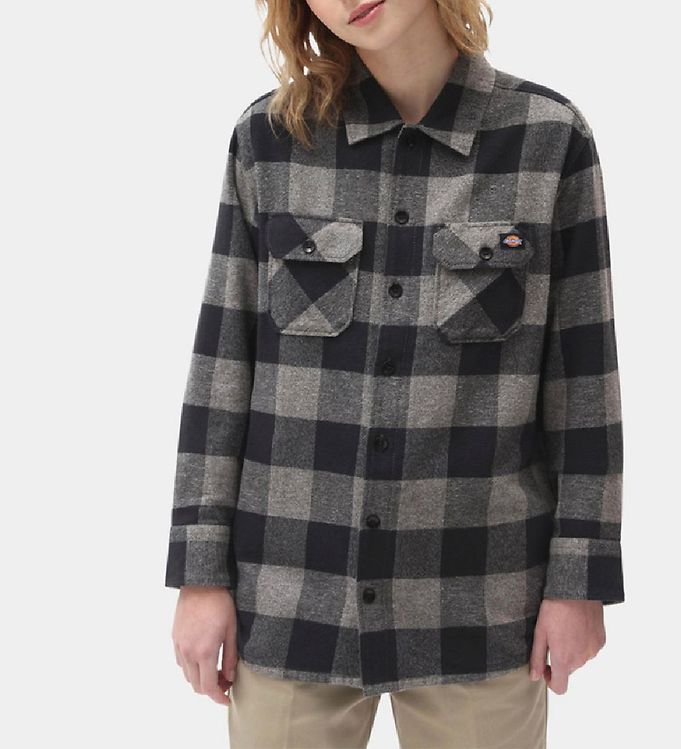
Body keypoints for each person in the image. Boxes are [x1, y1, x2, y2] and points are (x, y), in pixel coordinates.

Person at [164, 1, 625, 746]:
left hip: (480, 601)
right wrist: (200, 573)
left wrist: (580, 580)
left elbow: (584, 386)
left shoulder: (548, 138)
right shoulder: (270, 140)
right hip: (288, 596)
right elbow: (222, 367)